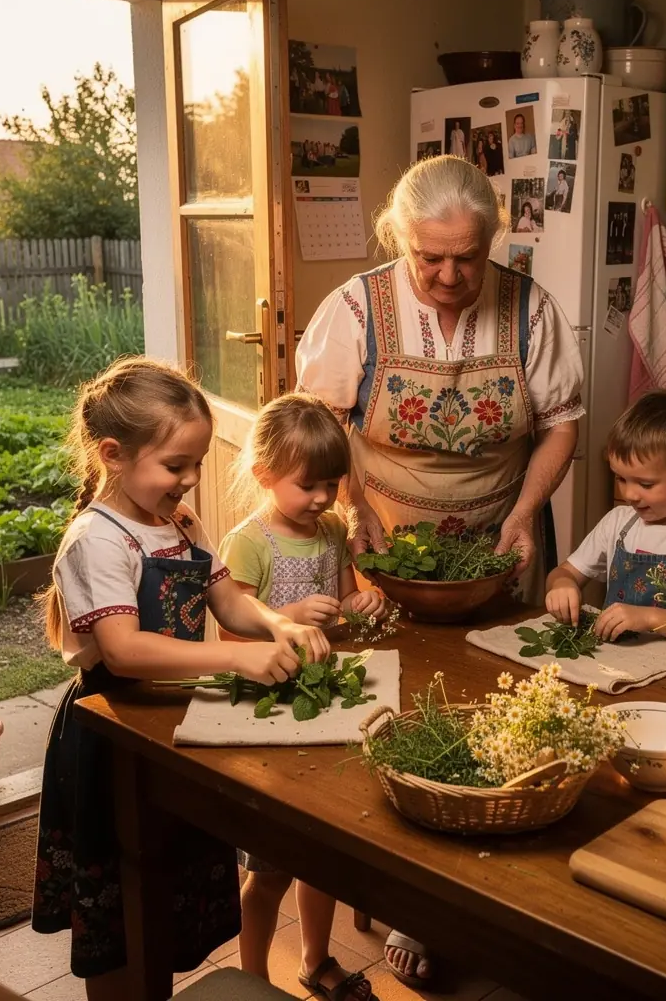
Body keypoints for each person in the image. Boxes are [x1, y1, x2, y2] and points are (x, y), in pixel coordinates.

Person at [295, 154, 584, 988]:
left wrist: (525, 514)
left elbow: (561, 421)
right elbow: (320, 421)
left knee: (500, 714)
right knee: (400, 716)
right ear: (401, 241)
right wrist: (357, 512)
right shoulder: (355, 309)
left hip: (498, 545)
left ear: (493, 240)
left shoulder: (531, 308)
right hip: (387, 543)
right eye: (432, 258)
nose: (452, 275)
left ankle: (501, 904)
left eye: (469, 255)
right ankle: (412, 910)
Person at [31, 357, 329, 1001]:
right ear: (112, 454)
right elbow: (125, 649)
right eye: (177, 466)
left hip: (175, 723)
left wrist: (276, 625)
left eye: (195, 464)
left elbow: (226, 600)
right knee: (119, 909)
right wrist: (235, 658)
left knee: (161, 889)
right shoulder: (97, 539)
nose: (192, 480)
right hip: (112, 733)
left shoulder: (176, 522)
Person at [219, 394, 384, 1001]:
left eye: (332, 483)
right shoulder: (248, 542)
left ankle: (316, 960)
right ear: (265, 475)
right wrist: (285, 616)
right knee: (269, 868)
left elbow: (342, 608)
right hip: (269, 719)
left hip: (324, 706)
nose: (322, 497)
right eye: (308, 485)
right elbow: (230, 633)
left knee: (324, 855)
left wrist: (360, 606)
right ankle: (253, 977)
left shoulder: (334, 529)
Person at [545, 391, 666, 640]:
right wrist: (562, 585)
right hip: (613, 666)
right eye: (621, 478)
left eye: (646, 484)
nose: (630, 495)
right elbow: (562, 573)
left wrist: (650, 618)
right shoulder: (617, 522)